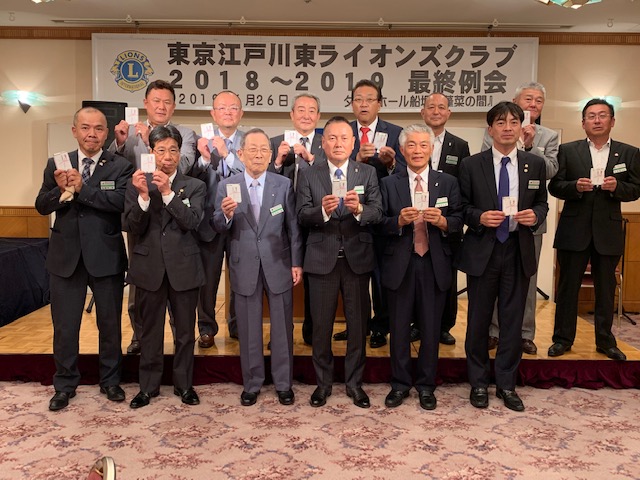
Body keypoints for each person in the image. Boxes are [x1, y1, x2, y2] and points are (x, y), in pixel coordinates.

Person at [35, 107, 133, 411]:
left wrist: (82, 189)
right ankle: (64, 385)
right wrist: (60, 190)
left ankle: (111, 381)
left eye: (99, 128)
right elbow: (41, 205)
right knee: (65, 327)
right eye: (86, 127)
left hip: (106, 257)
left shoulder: (120, 165)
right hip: (65, 259)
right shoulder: (57, 163)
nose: (92, 134)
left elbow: (121, 202)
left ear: (106, 133)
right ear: (74, 131)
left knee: (110, 325)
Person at [457, 102, 548, 412]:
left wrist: (535, 216)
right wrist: (479, 217)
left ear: (522, 127)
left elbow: (542, 203)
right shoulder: (471, 165)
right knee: (478, 320)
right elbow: (461, 208)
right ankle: (478, 383)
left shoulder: (534, 164)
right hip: (483, 250)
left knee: (512, 321)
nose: (508, 127)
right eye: (500, 122)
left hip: (518, 250)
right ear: (490, 129)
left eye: (513, 122)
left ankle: (507, 384)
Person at [297, 116, 382, 408]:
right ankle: (323, 384)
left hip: (357, 259)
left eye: (344, 138)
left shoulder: (367, 173)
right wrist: (321, 211)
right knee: (321, 327)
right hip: (321, 259)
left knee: (358, 327)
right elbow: (301, 214)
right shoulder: (309, 174)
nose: (338, 143)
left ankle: (355, 384)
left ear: (353, 142)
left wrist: (359, 210)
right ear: (322, 143)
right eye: (332, 138)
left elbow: (378, 212)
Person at [213, 128, 303, 406]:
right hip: (244, 265)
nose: (259, 154)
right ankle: (252, 383)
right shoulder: (227, 185)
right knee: (249, 328)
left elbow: (293, 227)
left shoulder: (283, 184)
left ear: (271, 154)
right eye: (252, 149)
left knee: (282, 328)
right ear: (240, 154)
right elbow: (217, 225)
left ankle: (283, 383)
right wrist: (226, 215)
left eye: (264, 149)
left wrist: (296, 262)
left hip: (279, 263)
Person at [109, 79, 197, 355]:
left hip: (174, 210)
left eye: (167, 102)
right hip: (141, 210)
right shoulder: (129, 132)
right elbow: (112, 167)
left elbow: (185, 164)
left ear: (174, 106)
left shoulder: (185, 133)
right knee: (141, 276)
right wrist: (120, 144)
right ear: (145, 103)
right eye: (156, 101)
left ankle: (179, 335)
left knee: (177, 282)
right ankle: (140, 335)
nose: (161, 106)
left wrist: (153, 141)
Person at [548, 98, 640, 361]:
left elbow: (636, 189)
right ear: (583, 123)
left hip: (607, 232)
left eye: (602, 115)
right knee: (567, 288)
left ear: (612, 121)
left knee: (605, 289)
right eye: (591, 116)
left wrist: (618, 187)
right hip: (573, 230)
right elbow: (554, 186)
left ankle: (605, 342)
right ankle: (562, 339)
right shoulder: (568, 150)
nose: (597, 120)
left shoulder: (629, 152)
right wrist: (574, 187)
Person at [378, 124, 463, 410]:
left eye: (423, 145)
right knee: (399, 329)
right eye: (411, 145)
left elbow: (459, 220)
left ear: (432, 149)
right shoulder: (389, 183)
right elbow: (378, 223)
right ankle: (400, 384)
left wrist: (444, 222)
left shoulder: (447, 182)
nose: (417, 150)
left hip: (434, 263)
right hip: (400, 264)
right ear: (402, 151)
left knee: (430, 329)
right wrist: (397, 222)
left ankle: (427, 385)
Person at [124, 125, 206, 409]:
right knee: (150, 332)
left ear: (180, 153)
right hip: (150, 268)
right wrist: (144, 197)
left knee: (185, 332)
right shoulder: (137, 183)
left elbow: (192, 222)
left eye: (173, 150)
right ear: (151, 152)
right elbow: (131, 226)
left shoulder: (194, 186)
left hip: (184, 268)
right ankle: (147, 387)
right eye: (161, 150)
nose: (167, 156)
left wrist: (168, 193)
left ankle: (184, 385)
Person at [483, 82, 559, 355]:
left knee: (527, 281)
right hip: (495, 222)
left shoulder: (549, 136)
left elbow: (550, 170)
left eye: (539, 100)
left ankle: (525, 333)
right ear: (516, 101)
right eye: (528, 98)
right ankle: (493, 331)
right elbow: (485, 166)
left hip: (529, 223)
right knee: (492, 279)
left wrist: (529, 146)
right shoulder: (495, 128)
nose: (533, 104)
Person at [332, 79, 405, 349]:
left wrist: (392, 163)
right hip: (350, 214)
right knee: (353, 276)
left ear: (379, 104)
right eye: (358, 99)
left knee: (382, 275)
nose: (363, 104)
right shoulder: (342, 132)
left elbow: (406, 175)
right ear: (352, 104)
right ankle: (357, 326)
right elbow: (331, 169)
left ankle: (380, 327)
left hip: (383, 213)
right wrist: (356, 162)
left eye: (369, 99)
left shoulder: (395, 133)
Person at [269, 93, 325, 345]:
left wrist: (310, 159)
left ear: (318, 116)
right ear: (291, 115)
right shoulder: (274, 142)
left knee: (315, 282)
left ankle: (312, 333)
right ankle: (281, 334)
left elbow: (331, 177)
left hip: (315, 221)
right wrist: (277, 162)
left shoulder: (326, 143)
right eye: (300, 110)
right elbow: (263, 179)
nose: (306, 115)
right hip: (281, 222)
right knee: (280, 280)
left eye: (311, 110)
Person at [192, 90, 246, 345]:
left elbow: (253, 174)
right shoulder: (200, 141)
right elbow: (190, 177)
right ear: (213, 114)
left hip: (241, 220)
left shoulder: (249, 141)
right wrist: (204, 159)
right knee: (207, 278)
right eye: (222, 108)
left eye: (233, 107)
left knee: (240, 277)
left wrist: (227, 155)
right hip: (208, 221)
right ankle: (206, 328)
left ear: (240, 113)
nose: (227, 112)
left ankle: (237, 325)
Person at [419, 92, 470, 346]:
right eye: (431, 107)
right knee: (416, 277)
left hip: (447, 221)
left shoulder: (460, 146)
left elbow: (464, 184)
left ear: (449, 113)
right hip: (415, 221)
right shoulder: (411, 140)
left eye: (441, 107)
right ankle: (417, 325)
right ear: (423, 112)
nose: (436, 111)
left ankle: (444, 326)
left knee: (446, 278)